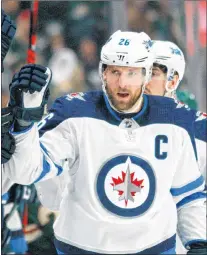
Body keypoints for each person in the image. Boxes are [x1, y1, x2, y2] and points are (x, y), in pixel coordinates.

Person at [3, 30, 206, 254]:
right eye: (115, 71)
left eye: (132, 73)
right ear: (103, 72)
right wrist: (24, 125)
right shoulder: (73, 114)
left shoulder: (175, 119)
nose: (122, 83)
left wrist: (198, 242)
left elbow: (189, 195)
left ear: (145, 74)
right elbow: (26, 172)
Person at [145, 40, 206, 182]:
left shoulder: (200, 130)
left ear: (172, 81)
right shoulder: (112, 125)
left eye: (152, 73)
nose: (143, 81)